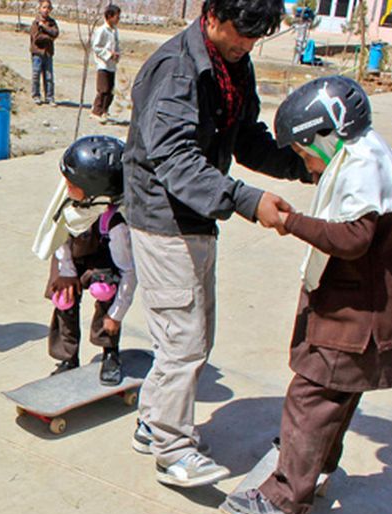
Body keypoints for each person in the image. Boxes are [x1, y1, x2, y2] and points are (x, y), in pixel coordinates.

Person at [123, 0, 311, 488]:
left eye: (255, 37)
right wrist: (248, 202)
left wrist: (300, 164)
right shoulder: (176, 69)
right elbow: (176, 160)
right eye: (240, 33)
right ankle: (171, 449)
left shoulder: (231, 65)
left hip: (199, 215)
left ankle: (152, 422)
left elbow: (244, 137)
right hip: (163, 218)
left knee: (192, 337)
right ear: (210, 16)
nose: (246, 45)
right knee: (183, 341)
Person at [224, 76, 392, 514]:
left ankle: (283, 496)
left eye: (303, 151)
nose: (306, 163)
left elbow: (353, 238)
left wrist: (292, 221)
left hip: (355, 322)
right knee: (335, 397)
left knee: (309, 397)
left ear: (328, 132)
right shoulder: (372, 156)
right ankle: (315, 467)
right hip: (361, 315)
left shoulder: (362, 166)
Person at [32, 135, 136, 384]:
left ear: (94, 191)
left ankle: (109, 351)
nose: (64, 186)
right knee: (63, 299)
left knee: (104, 290)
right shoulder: (69, 205)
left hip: (102, 262)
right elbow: (58, 240)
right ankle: (68, 357)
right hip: (70, 259)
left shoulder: (114, 223)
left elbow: (129, 272)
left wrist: (116, 315)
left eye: (71, 183)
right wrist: (66, 273)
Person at [91, 4, 121, 123]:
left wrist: (117, 54)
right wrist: (108, 54)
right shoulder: (101, 30)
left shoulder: (114, 31)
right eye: (116, 17)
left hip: (112, 66)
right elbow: (96, 47)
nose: (118, 19)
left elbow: (117, 45)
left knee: (110, 90)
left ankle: (104, 110)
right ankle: (96, 111)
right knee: (103, 89)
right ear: (109, 16)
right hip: (103, 64)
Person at [30, 0, 59, 106]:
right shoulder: (36, 23)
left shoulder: (52, 23)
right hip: (38, 53)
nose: (46, 10)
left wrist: (45, 28)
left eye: (48, 8)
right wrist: (48, 37)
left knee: (49, 76)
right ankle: (36, 95)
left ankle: (49, 96)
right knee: (36, 74)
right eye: (44, 7)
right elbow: (37, 38)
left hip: (48, 53)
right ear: (39, 8)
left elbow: (55, 33)